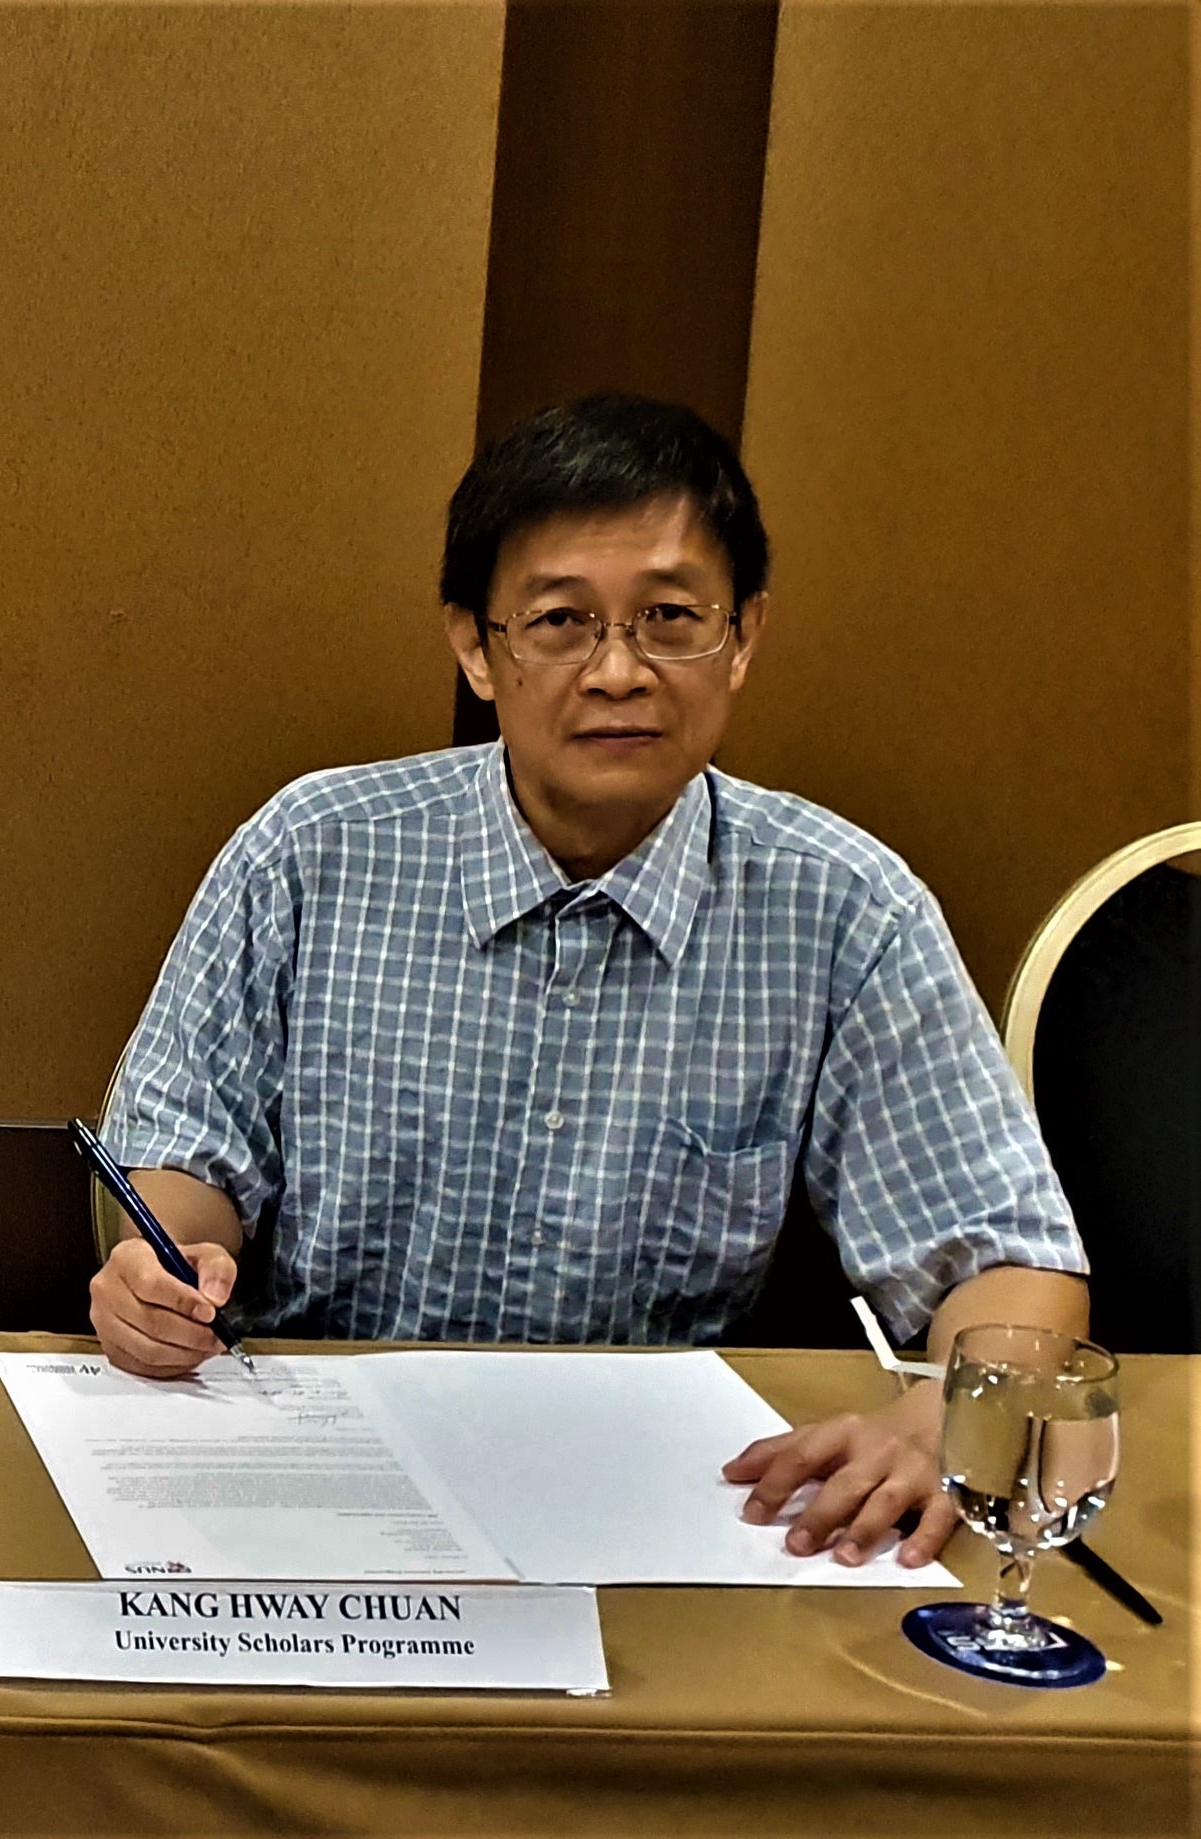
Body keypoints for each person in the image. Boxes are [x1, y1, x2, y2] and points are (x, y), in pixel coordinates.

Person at [89, 393, 1089, 1569]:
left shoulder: (841, 907)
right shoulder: (309, 852)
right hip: (307, 1485)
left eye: (670, 618)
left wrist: (949, 1414)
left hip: (651, 1513)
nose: (618, 672)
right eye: (560, 622)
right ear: (475, 645)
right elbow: (175, 1174)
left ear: (744, 635)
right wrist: (163, 1270)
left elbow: (1008, 1258)